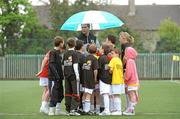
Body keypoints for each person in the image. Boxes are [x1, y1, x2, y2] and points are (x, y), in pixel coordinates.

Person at [63, 38, 80, 116]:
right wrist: (77, 76)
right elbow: (75, 65)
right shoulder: (75, 53)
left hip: (66, 76)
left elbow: (64, 64)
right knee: (75, 92)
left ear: (67, 45)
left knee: (67, 92)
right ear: (74, 45)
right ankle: (73, 110)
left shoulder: (65, 53)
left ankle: (68, 109)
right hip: (73, 76)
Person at [48, 36, 65, 116]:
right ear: (60, 43)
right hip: (54, 78)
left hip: (59, 78)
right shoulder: (53, 52)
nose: (63, 44)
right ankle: (51, 110)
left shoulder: (58, 53)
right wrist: (57, 76)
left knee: (60, 94)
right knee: (54, 94)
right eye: (63, 42)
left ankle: (58, 110)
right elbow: (51, 64)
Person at [82, 43, 99, 114]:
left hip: (84, 78)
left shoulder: (85, 58)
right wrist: (95, 78)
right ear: (96, 51)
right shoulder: (94, 59)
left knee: (84, 94)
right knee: (88, 94)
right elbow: (95, 70)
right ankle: (87, 110)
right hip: (90, 79)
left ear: (88, 50)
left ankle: (83, 109)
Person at [123, 47, 139, 116]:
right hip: (133, 81)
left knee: (131, 95)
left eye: (126, 53)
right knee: (131, 94)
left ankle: (131, 110)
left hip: (132, 81)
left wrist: (125, 78)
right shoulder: (131, 61)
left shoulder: (129, 61)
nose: (125, 54)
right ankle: (130, 108)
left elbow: (129, 73)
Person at [108, 48, 125, 115]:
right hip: (121, 80)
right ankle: (117, 110)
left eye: (112, 53)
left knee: (116, 95)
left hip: (115, 80)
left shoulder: (113, 60)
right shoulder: (119, 60)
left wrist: (109, 71)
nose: (111, 55)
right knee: (117, 95)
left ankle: (118, 110)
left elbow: (110, 70)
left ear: (117, 54)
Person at [98, 44, 112, 115]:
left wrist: (97, 78)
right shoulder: (108, 58)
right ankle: (108, 109)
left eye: (100, 48)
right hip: (109, 78)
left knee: (105, 94)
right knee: (107, 94)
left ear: (103, 50)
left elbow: (99, 69)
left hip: (103, 78)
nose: (99, 50)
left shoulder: (101, 58)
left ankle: (107, 110)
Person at [75, 40, 85, 112]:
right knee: (80, 92)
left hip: (73, 76)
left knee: (76, 91)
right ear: (81, 47)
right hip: (81, 77)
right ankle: (79, 107)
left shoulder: (73, 54)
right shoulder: (82, 56)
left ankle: (76, 107)